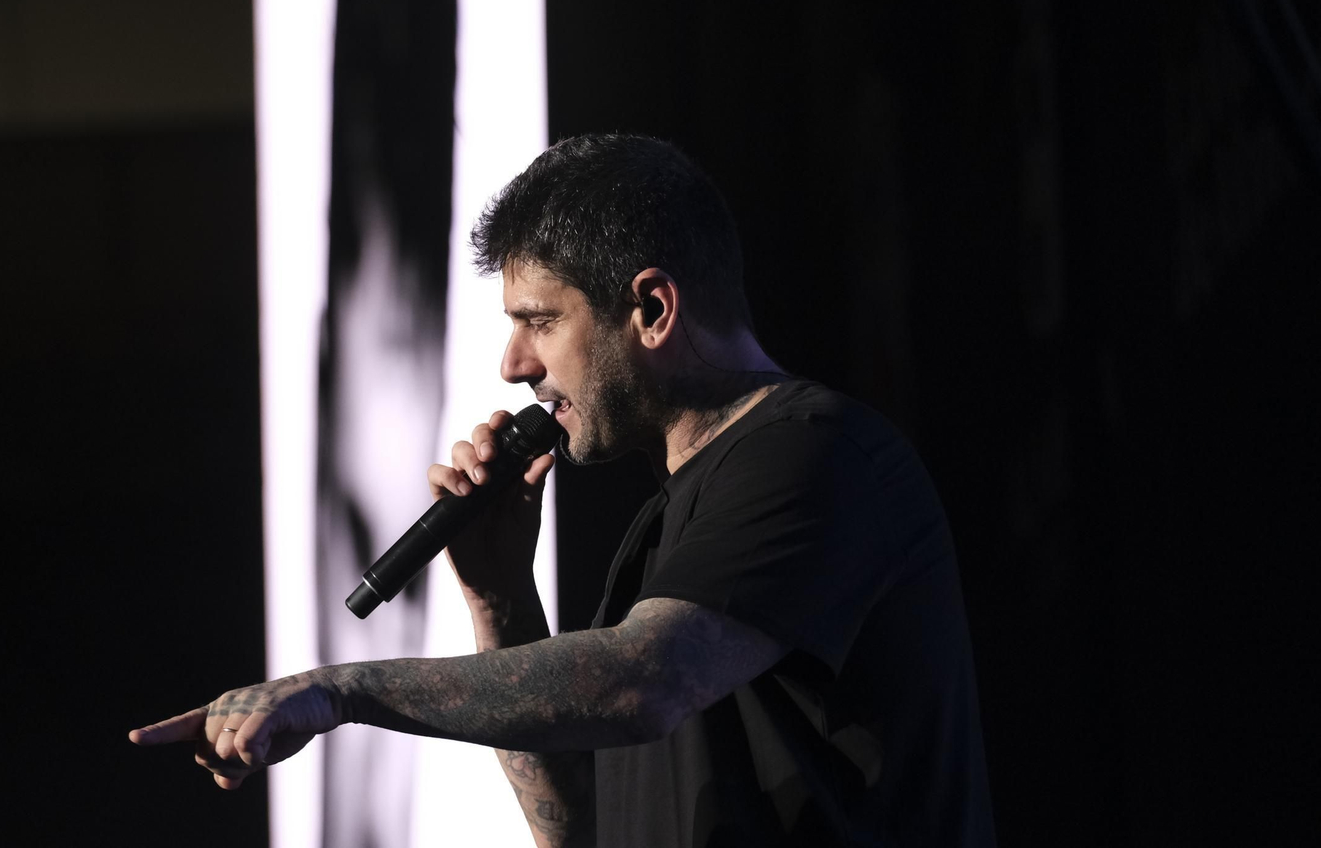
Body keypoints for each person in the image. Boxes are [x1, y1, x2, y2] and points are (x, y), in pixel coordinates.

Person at [131, 134, 996, 847]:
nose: (514, 365)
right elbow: (582, 828)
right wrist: (502, 600)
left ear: (651, 309)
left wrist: (343, 689)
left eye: (539, 321)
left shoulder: (815, 453)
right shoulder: (665, 527)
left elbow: (644, 681)